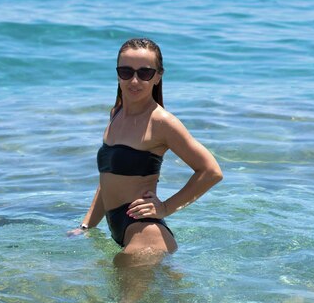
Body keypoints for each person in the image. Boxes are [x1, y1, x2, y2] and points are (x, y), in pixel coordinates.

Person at [69, 38, 223, 264]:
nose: (134, 80)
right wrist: (85, 226)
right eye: (126, 71)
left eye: (145, 73)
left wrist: (165, 208)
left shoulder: (161, 122)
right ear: (117, 73)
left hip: (146, 235)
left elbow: (211, 172)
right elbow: (109, 179)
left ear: (158, 76)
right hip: (122, 231)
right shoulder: (117, 113)